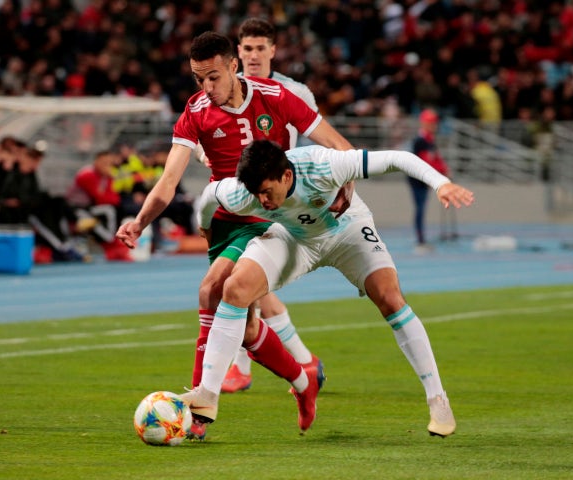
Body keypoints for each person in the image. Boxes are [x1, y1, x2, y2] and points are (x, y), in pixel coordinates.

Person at [116, 31, 354, 439]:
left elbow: (332, 141)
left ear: (232, 66)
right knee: (244, 328)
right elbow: (169, 179)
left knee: (211, 289)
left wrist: (347, 180)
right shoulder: (195, 112)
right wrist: (140, 221)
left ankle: (199, 411)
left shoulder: (275, 96)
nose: (206, 88)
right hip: (225, 220)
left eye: (213, 77)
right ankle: (302, 380)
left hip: (271, 214)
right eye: (197, 79)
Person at [186, 139, 474, 437]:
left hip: (347, 231)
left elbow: (397, 158)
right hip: (297, 239)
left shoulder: (322, 165)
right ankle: (207, 395)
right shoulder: (244, 194)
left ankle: (438, 399)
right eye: (256, 194)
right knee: (235, 288)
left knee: (390, 298)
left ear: (286, 177)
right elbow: (209, 195)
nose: (262, 202)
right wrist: (205, 226)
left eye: (267, 192)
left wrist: (441, 184)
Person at [219, 17, 322, 394]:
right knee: (247, 285)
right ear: (238, 52)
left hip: (281, 199)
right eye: (247, 48)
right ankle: (303, 362)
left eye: (261, 48)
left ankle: (248, 367)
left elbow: (315, 138)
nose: (254, 55)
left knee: (239, 281)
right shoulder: (225, 90)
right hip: (240, 196)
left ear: (273, 51)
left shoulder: (294, 91)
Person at [407, 108, 450, 251]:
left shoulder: (429, 140)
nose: (435, 126)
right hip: (417, 180)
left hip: (424, 179)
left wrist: (443, 170)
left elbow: (435, 158)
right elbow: (426, 161)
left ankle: (421, 238)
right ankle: (420, 240)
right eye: (432, 123)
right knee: (420, 208)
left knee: (421, 208)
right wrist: (440, 172)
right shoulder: (420, 141)